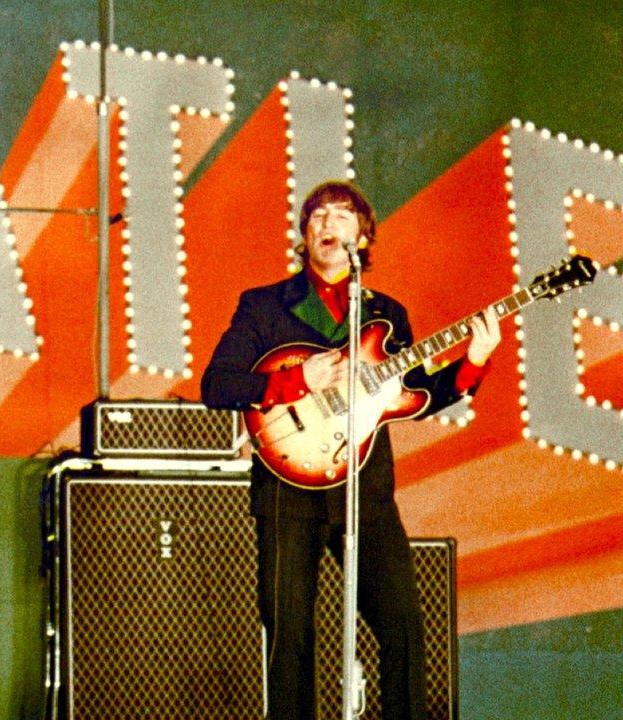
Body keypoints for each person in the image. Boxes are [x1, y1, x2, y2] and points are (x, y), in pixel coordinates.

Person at [200, 180, 501, 720]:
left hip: (365, 489)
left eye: (340, 215)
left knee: (404, 627)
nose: (326, 223)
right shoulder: (264, 305)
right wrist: (295, 381)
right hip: (286, 487)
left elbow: (412, 397)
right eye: (316, 215)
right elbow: (216, 385)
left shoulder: (385, 313)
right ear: (303, 233)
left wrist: (472, 362)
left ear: (363, 235)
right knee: (289, 637)